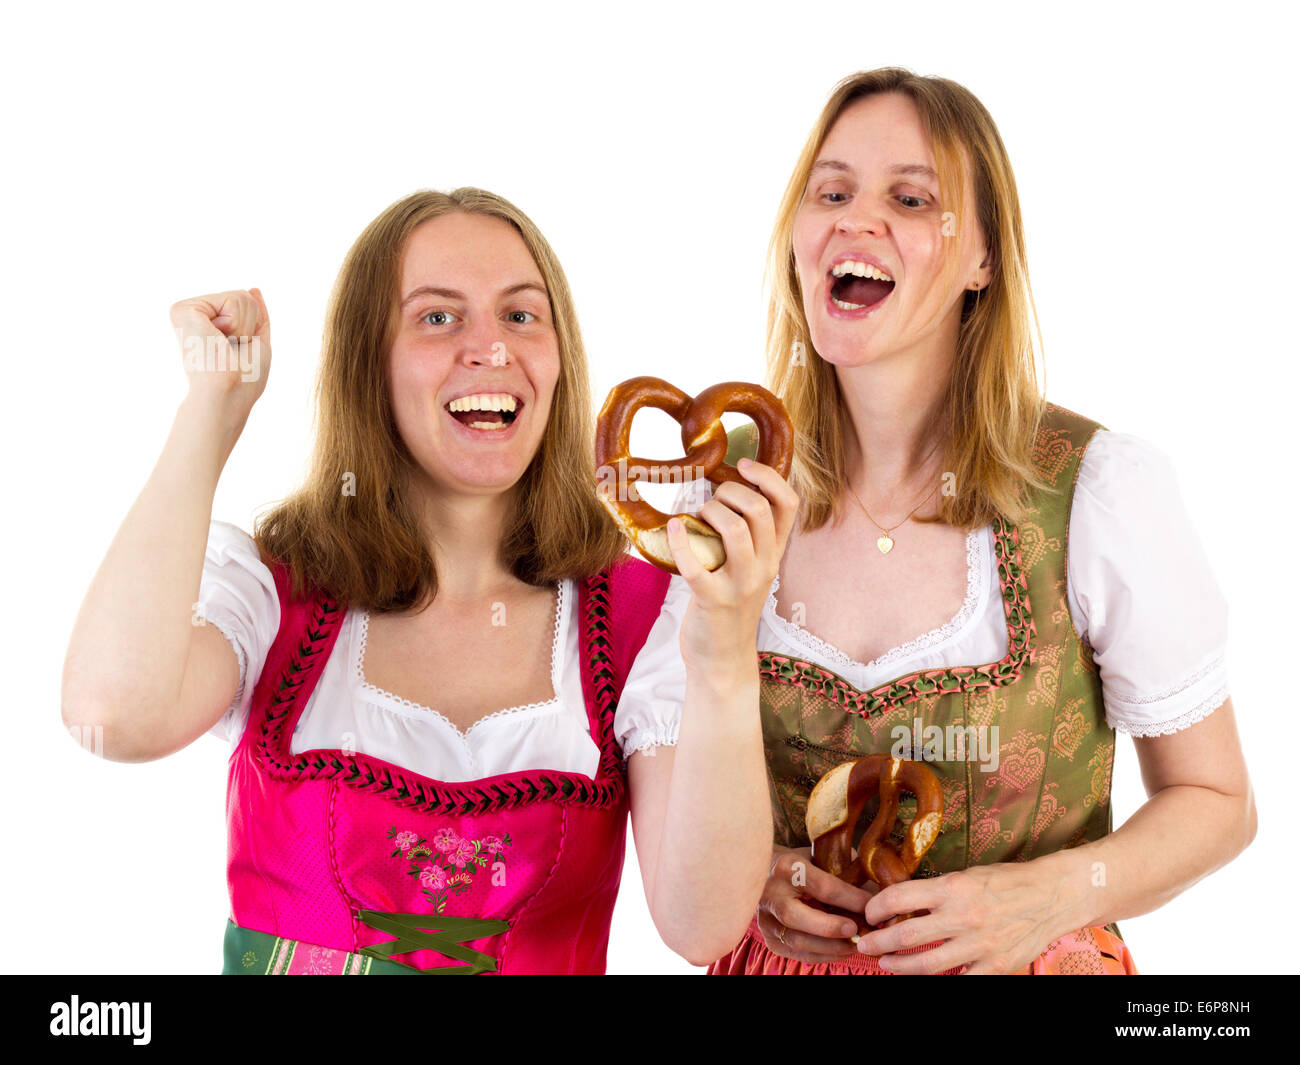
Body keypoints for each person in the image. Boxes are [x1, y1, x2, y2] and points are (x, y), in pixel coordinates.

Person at [60, 187, 796, 974]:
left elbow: (703, 924)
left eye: (521, 315)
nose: (490, 348)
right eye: (438, 317)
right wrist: (213, 408)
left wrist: (723, 646)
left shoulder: (643, 618)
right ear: (366, 360)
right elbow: (111, 715)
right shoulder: (278, 595)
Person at [688, 68, 1257, 974]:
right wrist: (754, 870)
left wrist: (1053, 894)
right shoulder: (724, 488)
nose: (856, 218)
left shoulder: (1097, 491)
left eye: (910, 198)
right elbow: (667, 827)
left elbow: (1218, 798)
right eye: (830, 191)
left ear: (983, 258)